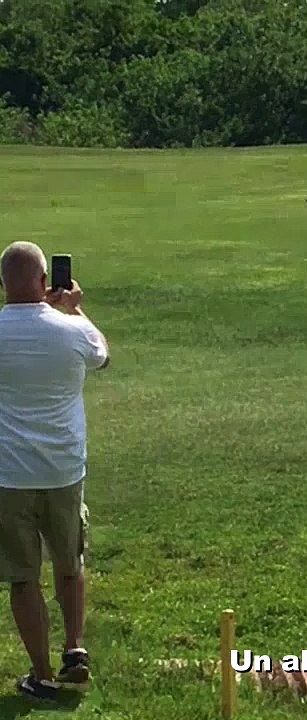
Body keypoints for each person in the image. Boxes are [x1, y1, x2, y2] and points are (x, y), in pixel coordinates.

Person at [0, 241, 109, 701]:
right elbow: (102, 354)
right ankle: (74, 648)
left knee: (23, 576)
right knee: (70, 562)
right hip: (64, 468)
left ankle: (41, 674)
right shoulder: (71, 331)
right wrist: (74, 311)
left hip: (9, 475)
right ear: (46, 282)